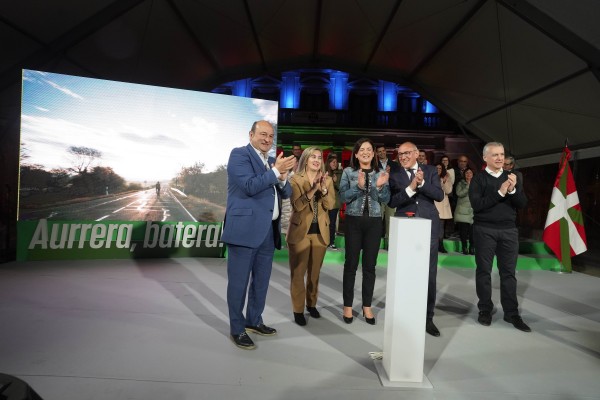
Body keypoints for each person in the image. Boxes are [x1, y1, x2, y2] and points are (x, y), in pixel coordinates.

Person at [221, 120, 296, 350]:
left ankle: (254, 321)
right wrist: (276, 171)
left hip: (267, 231)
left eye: (271, 136)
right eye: (263, 134)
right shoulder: (239, 155)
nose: (267, 139)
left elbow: (287, 193)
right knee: (239, 283)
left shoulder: (272, 162)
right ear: (251, 134)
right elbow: (249, 186)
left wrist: (282, 177)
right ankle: (237, 329)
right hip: (244, 231)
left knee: (261, 283)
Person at [469, 142, 530, 332]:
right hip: (484, 229)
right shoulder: (478, 179)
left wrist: (512, 190)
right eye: (495, 155)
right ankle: (485, 310)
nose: (499, 158)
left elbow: (522, 204)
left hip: (509, 231)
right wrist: (500, 192)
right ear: (485, 158)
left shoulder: (512, 177)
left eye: (502, 154)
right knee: (484, 271)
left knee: (509, 274)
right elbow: (477, 205)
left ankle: (512, 313)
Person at [389, 142, 444, 337]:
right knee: (405, 272)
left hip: (429, 226)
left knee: (429, 274)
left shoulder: (429, 171)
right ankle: (404, 316)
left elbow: (439, 195)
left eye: (406, 153)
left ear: (416, 154)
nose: (402, 157)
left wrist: (422, 184)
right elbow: (392, 201)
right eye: (400, 154)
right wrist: (411, 188)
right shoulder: (394, 175)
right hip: (404, 227)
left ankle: (428, 317)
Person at [339, 138, 390, 325]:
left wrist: (379, 187)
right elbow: (342, 196)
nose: (366, 152)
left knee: (370, 267)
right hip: (353, 222)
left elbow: (386, 199)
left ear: (374, 153)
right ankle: (347, 305)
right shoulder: (348, 172)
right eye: (362, 149)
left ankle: (367, 306)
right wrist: (358, 187)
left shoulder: (381, 173)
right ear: (356, 153)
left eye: (369, 149)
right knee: (350, 264)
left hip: (374, 223)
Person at [287, 147, 335, 326]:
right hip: (300, 232)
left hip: (320, 233)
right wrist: (313, 189)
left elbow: (330, 205)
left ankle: (311, 304)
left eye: (319, 157)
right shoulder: (295, 179)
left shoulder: (328, 180)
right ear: (305, 160)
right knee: (298, 274)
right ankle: (298, 310)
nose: (316, 159)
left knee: (314, 274)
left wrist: (322, 189)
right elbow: (297, 206)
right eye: (312, 157)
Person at [376, 145, 399, 248]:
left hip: (391, 196)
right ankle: (375, 242)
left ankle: (388, 243)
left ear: (386, 151)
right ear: (377, 153)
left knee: (390, 220)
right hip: (378, 196)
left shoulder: (394, 164)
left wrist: (390, 175)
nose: (381, 153)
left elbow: (398, 181)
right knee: (377, 220)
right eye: (379, 151)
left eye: (383, 151)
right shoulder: (375, 165)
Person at [454, 167, 475, 254]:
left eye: (470, 173)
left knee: (473, 232)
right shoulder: (460, 184)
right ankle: (464, 247)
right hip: (462, 211)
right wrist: (468, 185)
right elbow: (459, 194)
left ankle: (472, 247)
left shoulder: (477, 184)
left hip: (473, 211)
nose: (469, 175)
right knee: (463, 232)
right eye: (467, 173)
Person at [325, 152, 342, 249]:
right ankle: (324, 241)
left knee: (332, 223)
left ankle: (331, 241)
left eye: (336, 162)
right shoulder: (324, 173)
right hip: (324, 202)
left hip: (334, 203)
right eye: (332, 162)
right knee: (324, 222)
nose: (334, 164)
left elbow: (341, 188)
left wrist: (335, 182)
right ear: (329, 163)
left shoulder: (340, 173)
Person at [434, 163, 452, 253]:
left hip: (442, 205)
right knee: (432, 226)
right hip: (433, 204)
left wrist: (444, 182)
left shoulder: (446, 178)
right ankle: (433, 245)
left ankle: (440, 244)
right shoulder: (430, 177)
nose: (438, 170)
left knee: (441, 227)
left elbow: (448, 190)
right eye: (437, 168)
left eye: (440, 168)